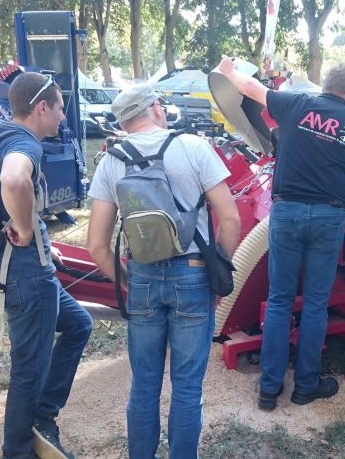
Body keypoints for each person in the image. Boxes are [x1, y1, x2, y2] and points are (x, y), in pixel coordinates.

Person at [87, 84, 240, 458]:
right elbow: (231, 219)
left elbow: (95, 245)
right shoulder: (193, 147)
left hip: (142, 276)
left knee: (144, 384)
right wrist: (216, 268)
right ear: (155, 108)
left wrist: (126, 282)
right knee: (187, 387)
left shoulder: (111, 160)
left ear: (124, 120)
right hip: (193, 274)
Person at [216, 56, 345, 411]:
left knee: (280, 300)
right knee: (316, 303)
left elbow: (252, 89)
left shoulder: (297, 103)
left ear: (325, 84)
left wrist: (227, 71)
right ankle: (305, 385)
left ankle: (269, 390)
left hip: (286, 212)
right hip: (329, 216)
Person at [0, 72, 92, 458]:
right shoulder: (24, 143)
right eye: (60, 109)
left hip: (12, 266)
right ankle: (17, 451)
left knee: (79, 324)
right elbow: (13, 180)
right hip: (26, 275)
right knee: (28, 370)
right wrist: (26, 231)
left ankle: (42, 417)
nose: (62, 117)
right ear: (41, 107)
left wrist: (39, 236)